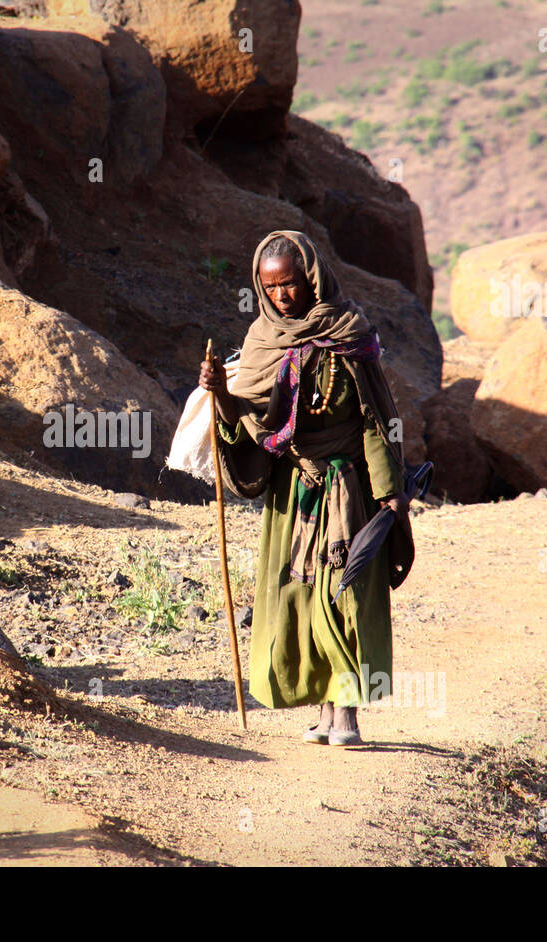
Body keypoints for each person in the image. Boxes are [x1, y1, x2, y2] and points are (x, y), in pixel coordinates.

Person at [198, 229, 413, 746]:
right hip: (292, 494)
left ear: (311, 277)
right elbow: (254, 425)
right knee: (297, 595)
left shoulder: (349, 334)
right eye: (270, 288)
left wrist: (389, 493)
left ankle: (347, 715)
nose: (281, 296)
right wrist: (220, 393)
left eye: (290, 284)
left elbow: (374, 419)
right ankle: (322, 708)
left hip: (347, 488)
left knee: (343, 594)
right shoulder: (261, 341)